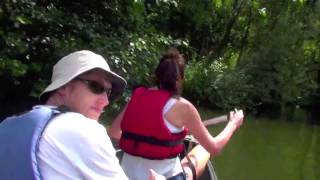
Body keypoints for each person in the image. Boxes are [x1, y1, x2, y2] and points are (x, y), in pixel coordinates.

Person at [108, 48, 244, 180]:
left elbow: (114, 131)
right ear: (181, 78)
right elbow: (215, 148)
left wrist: (141, 144)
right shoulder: (183, 106)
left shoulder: (136, 96)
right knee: (203, 150)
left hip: (125, 176)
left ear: (156, 75)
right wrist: (233, 124)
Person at [0, 50, 131, 180]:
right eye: (96, 86)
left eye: (108, 92)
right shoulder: (83, 129)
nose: (106, 101)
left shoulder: (8, 125)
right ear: (63, 87)